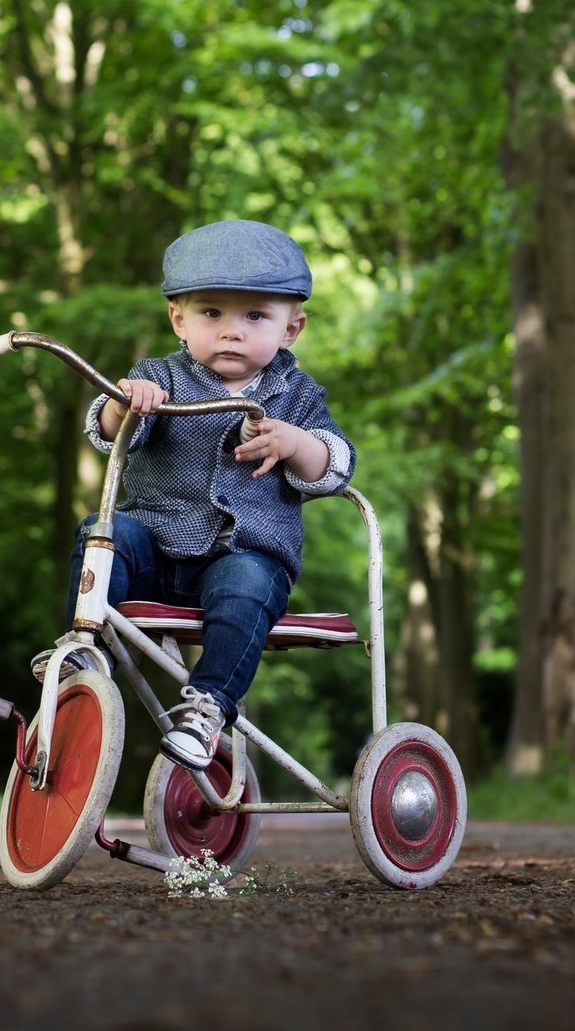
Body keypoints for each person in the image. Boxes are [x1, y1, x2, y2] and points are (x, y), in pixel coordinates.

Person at [61, 219, 355, 770]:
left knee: (249, 580)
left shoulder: (297, 394)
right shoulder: (158, 377)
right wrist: (126, 403)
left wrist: (297, 443)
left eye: (254, 316)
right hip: (154, 549)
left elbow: (336, 465)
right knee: (103, 531)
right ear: (179, 318)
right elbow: (105, 431)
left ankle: (208, 704)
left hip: (242, 556)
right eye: (211, 313)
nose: (231, 331)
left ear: (291, 329)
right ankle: (83, 655)